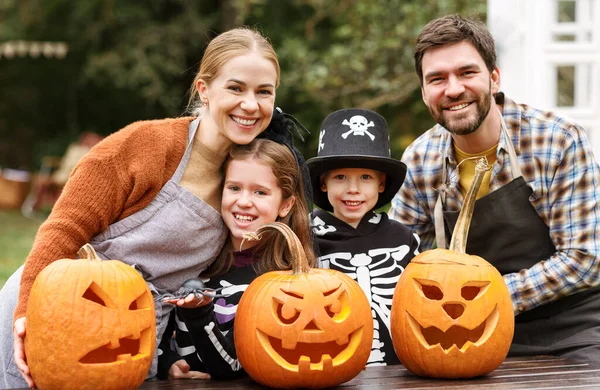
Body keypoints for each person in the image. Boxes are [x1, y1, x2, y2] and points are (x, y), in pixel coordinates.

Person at [0, 26, 284, 389]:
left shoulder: (245, 177)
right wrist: (25, 313)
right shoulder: (144, 146)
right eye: (235, 88)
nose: (250, 104)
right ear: (204, 89)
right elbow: (62, 230)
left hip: (135, 342)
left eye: (264, 92)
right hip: (60, 321)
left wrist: (174, 358)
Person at [389, 14, 600, 363]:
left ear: (494, 78)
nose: (453, 89)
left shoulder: (557, 140)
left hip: (572, 331)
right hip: (462, 333)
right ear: (425, 92)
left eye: (467, 73)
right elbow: (405, 264)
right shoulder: (419, 161)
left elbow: (583, 259)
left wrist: (486, 298)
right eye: (437, 79)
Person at [158, 137, 316, 380]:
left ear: (285, 205)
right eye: (234, 188)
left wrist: (198, 313)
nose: (243, 202)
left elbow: (234, 366)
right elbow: (159, 332)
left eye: (260, 192)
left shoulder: (285, 284)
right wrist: (167, 361)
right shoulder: (193, 260)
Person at [306, 108, 420, 366]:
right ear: (324, 183)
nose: (353, 189)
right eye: (340, 177)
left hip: (400, 373)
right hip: (329, 368)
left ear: (381, 184)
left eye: (366, 177)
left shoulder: (403, 239)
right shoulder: (305, 238)